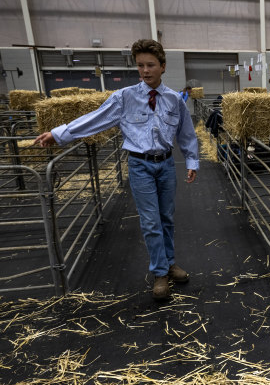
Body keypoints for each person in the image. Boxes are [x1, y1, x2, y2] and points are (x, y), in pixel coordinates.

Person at [35, 39, 199, 301]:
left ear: (163, 67)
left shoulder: (173, 100)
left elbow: (187, 134)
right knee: (150, 221)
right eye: (140, 66)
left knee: (166, 217)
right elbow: (94, 119)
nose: (145, 71)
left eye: (151, 65)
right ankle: (159, 273)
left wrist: (191, 161)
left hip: (166, 164)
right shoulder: (124, 98)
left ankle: (169, 263)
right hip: (140, 164)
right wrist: (59, 134)